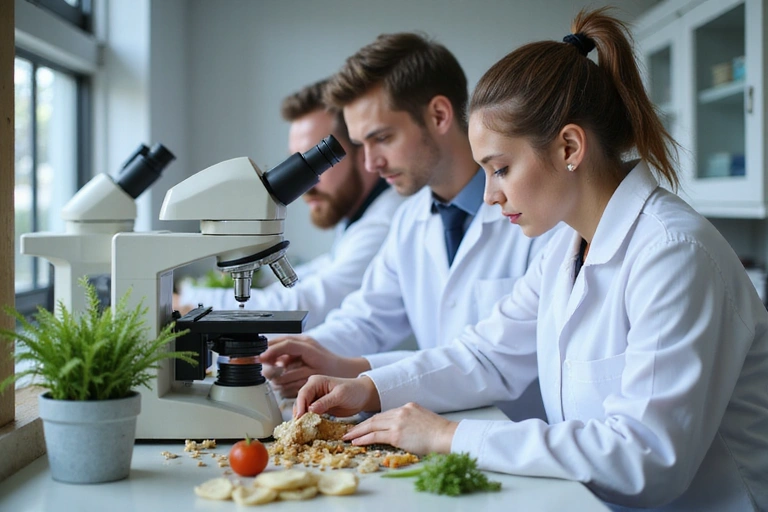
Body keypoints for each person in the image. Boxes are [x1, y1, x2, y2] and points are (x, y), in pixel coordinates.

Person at [292, 9, 768, 511]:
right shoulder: (566, 247)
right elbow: (486, 355)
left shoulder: (673, 254)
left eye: (500, 169)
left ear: (568, 146)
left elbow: (646, 459)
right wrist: (367, 388)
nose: (492, 196)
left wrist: (449, 435)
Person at [260, 32, 558, 408]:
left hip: (521, 438)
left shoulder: (538, 213)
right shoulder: (410, 221)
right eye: (361, 144)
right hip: (443, 430)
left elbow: (490, 357)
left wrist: (357, 373)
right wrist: (309, 352)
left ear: (438, 115)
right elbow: (368, 317)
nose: (370, 163)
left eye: (381, 137)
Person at [175, 79, 404, 330]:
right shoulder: (358, 220)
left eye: (314, 163)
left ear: (362, 154)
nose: (304, 185)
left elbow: (304, 304)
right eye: (296, 164)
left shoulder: (386, 222)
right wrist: (190, 294)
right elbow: (316, 274)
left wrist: (187, 302)